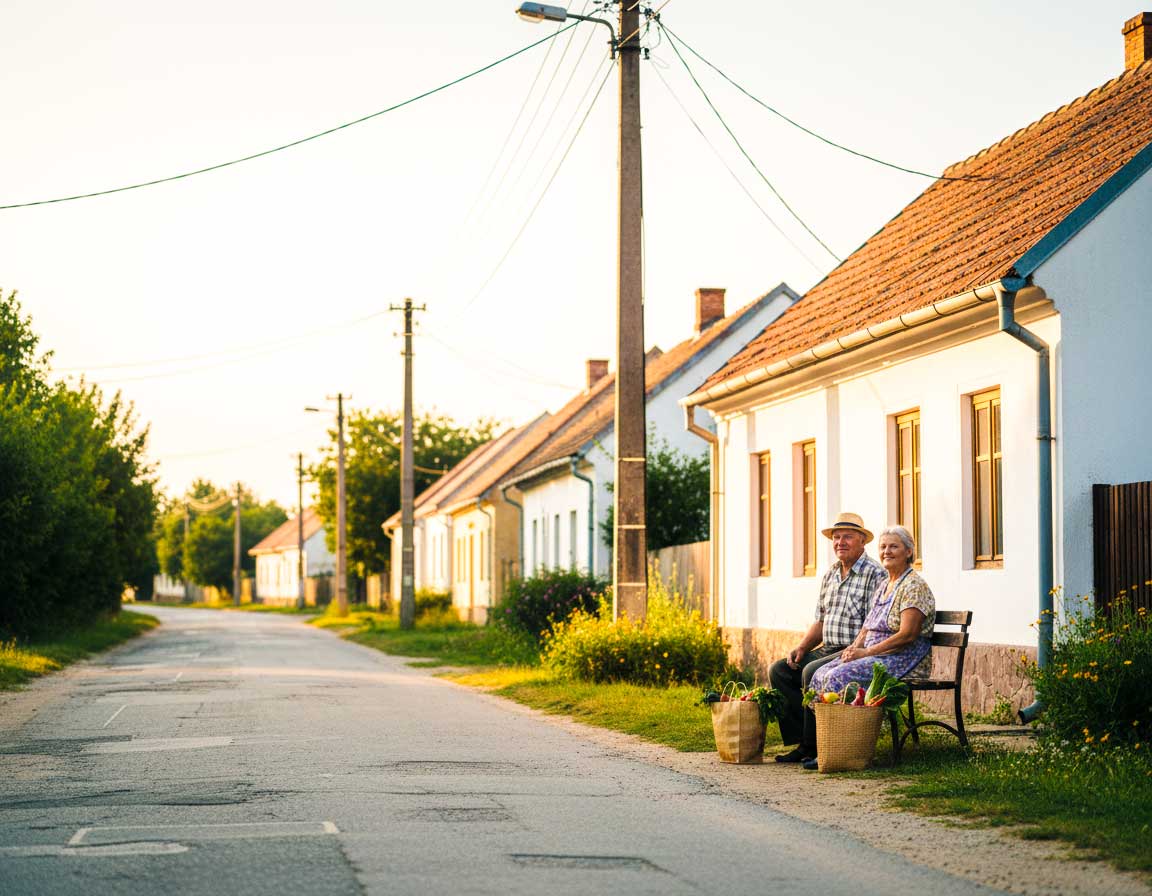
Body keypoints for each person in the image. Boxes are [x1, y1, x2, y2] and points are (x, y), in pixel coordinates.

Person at [799, 525, 936, 770]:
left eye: (894, 546)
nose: (887, 552)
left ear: (908, 551)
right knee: (820, 674)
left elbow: (907, 635)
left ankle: (843, 749)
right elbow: (867, 627)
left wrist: (867, 652)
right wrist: (854, 649)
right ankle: (830, 746)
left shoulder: (914, 586)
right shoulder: (886, 585)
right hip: (877, 654)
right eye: (883, 547)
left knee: (838, 676)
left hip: (902, 657)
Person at [769, 512, 884, 763]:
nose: (840, 542)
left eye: (848, 537)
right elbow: (821, 620)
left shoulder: (875, 574)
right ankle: (803, 740)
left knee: (811, 671)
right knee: (779, 670)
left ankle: (815, 746)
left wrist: (857, 649)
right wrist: (801, 646)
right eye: (836, 537)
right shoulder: (830, 574)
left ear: (862, 541)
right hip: (827, 647)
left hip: (855, 650)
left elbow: (874, 623)